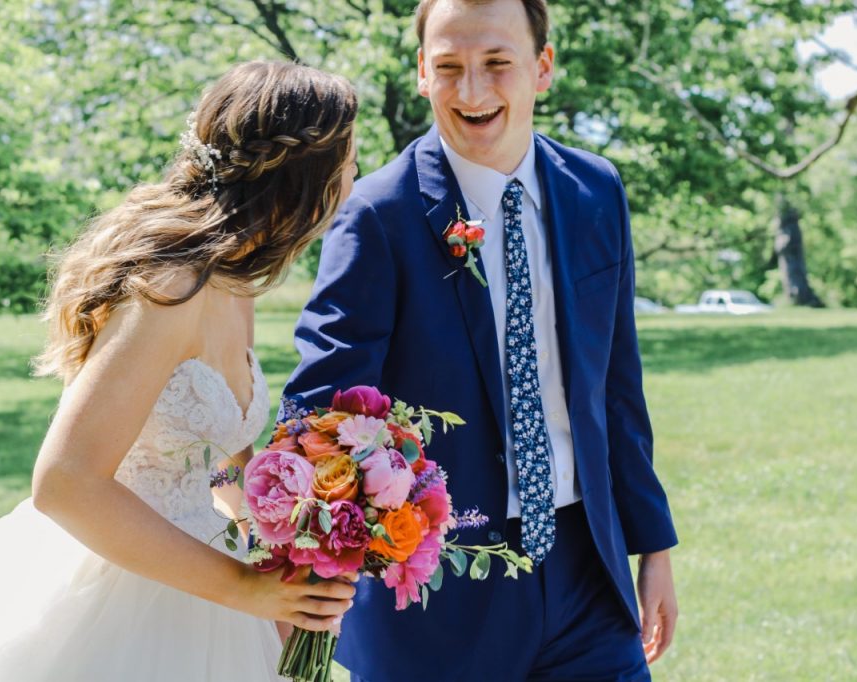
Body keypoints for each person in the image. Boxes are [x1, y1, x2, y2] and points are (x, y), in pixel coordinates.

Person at [0, 60, 359, 681]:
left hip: (215, 579)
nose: (355, 175)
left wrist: (281, 545)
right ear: (305, 180)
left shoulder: (236, 281)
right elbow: (65, 482)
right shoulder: (172, 288)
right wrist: (243, 589)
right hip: (124, 587)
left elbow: (216, 455)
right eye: (348, 160)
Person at [280, 1, 678, 680]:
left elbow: (615, 385)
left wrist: (654, 546)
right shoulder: (377, 215)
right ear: (422, 75)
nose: (472, 91)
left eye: (497, 63)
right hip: (435, 605)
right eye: (449, 67)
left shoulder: (596, 191)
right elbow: (321, 417)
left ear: (542, 67)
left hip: (588, 576)